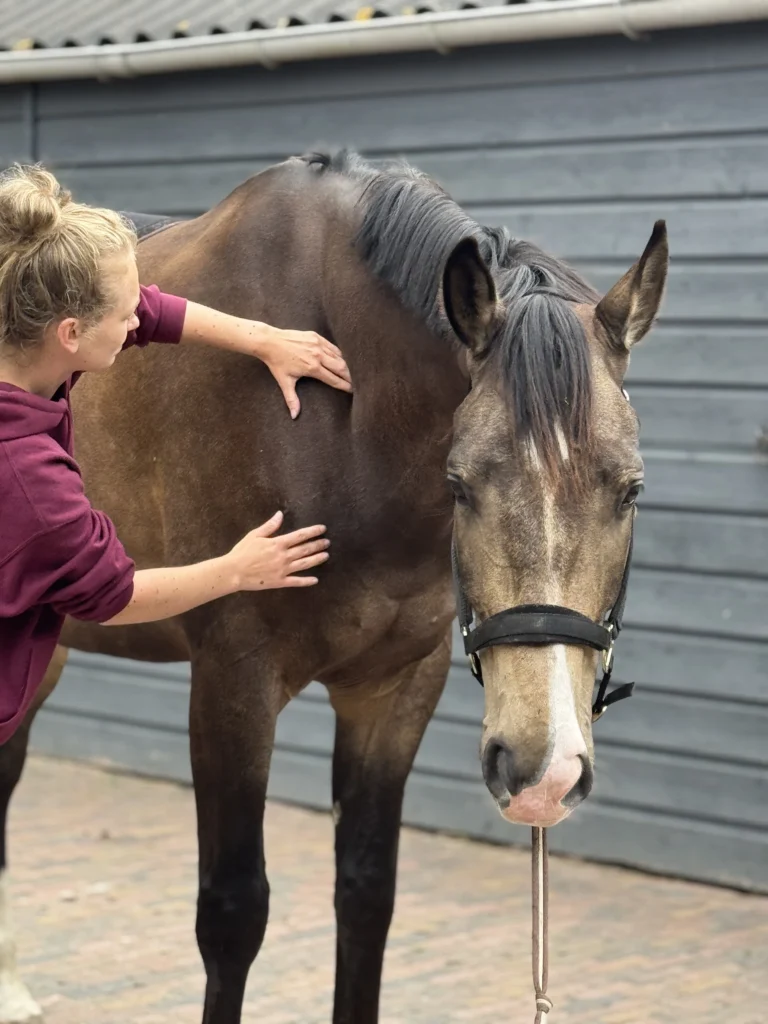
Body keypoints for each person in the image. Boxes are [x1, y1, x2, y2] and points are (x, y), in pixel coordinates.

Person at [0, 164, 352, 745]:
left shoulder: (23, 334)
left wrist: (265, 339)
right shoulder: (29, 478)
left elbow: (152, 313)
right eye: (122, 315)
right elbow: (113, 597)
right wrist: (237, 570)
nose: (137, 318)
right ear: (70, 333)